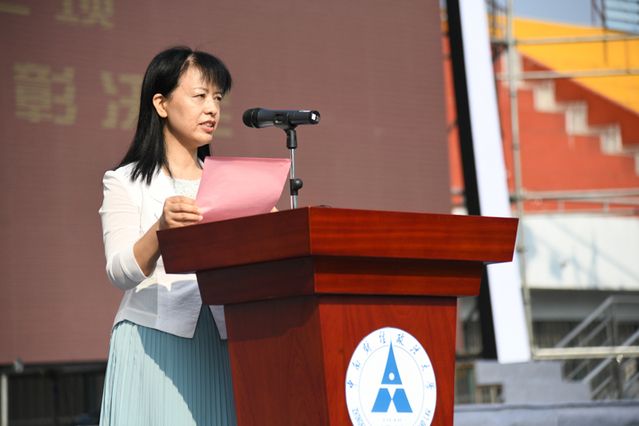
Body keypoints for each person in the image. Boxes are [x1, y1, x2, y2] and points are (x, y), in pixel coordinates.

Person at [98, 46, 236, 425]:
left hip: (221, 339)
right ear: (161, 104)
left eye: (217, 98)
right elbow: (120, 272)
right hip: (155, 339)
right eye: (200, 96)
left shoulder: (228, 182)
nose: (212, 109)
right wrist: (160, 230)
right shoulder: (125, 181)